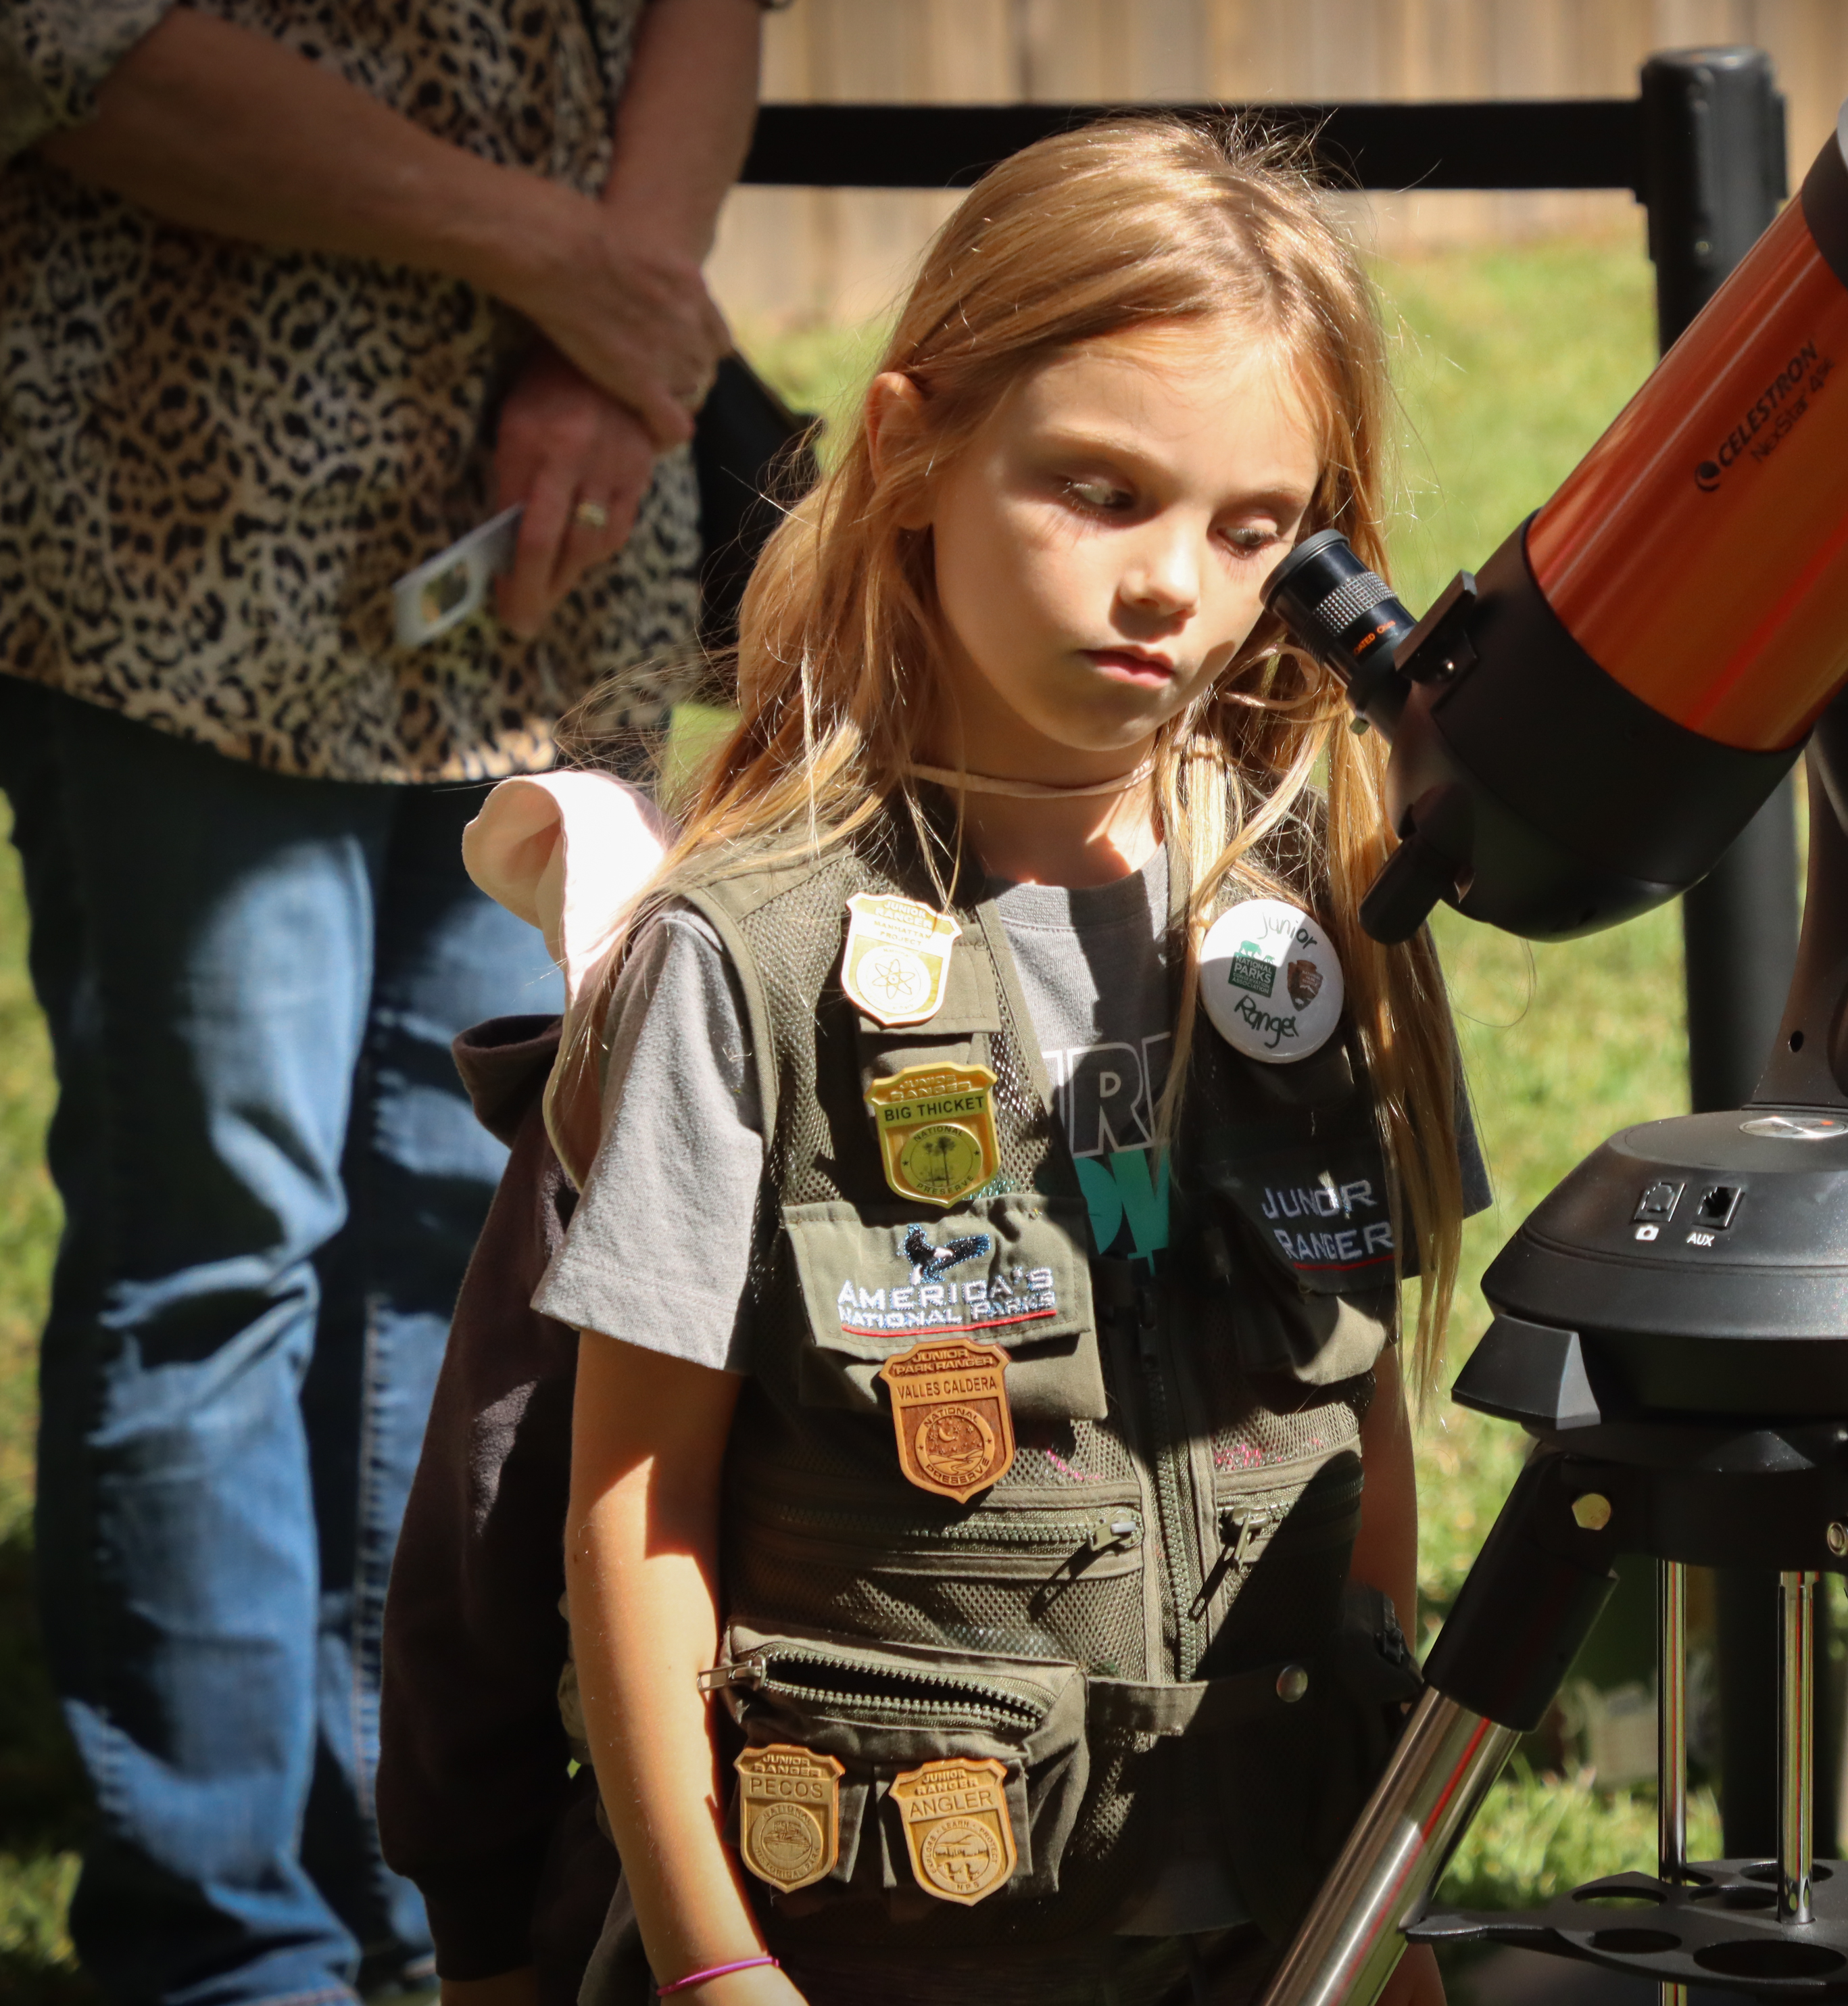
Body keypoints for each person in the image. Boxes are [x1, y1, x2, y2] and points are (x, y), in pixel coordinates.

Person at [520, 119, 1480, 2006]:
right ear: (909, 447)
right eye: (1099, 490)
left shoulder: (1306, 925)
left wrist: (1384, 1916)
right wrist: (712, 1966)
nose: (1173, 589)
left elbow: (1358, 1443)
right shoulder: (754, 955)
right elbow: (634, 1512)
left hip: (1267, 1939)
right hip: (875, 1940)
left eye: (1252, 528)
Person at [0, 0, 771, 2001]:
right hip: (179, 533)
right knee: (218, 1249)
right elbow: (62, 33)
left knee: (477, 1237)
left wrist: (619, 352)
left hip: (558, 539)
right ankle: (226, 1946)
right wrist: (572, 267)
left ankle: (420, 1898)